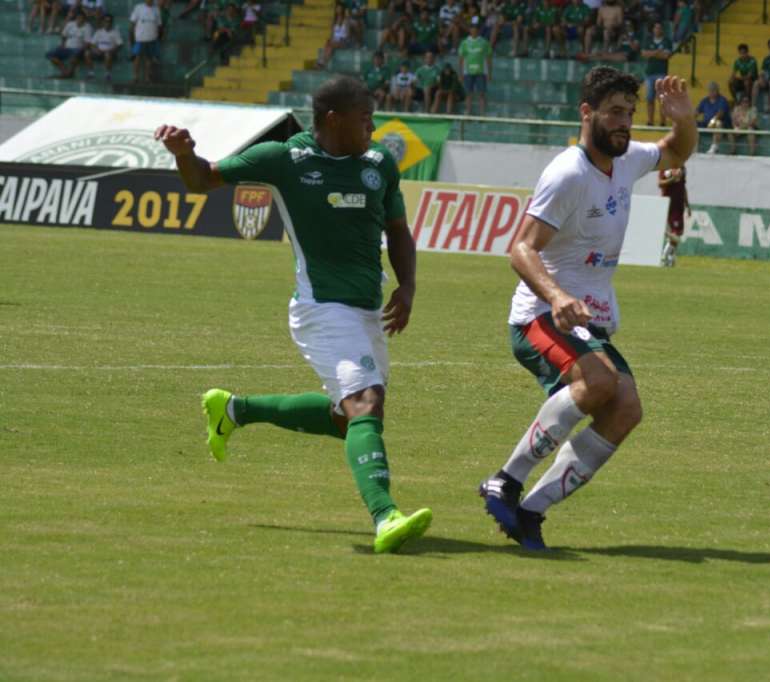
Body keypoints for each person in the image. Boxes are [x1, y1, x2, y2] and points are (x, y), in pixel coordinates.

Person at [153, 76, 433, 554]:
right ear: (333, 120)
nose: (373, 127)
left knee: (348, 420)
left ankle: (234, 410)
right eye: (365, 118)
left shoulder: (380, 163)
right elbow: (202, 179)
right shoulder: (283, 158)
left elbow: (398, 228)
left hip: (367, 310)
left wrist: (407, 285)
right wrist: (183, 153)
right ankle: (385, 516)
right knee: (365, 402)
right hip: (321, 308)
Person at [477, 68, 697, 550]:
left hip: (587, 323)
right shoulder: (568, 173)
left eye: (631, 113)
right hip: (539, 315)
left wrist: (684, 120)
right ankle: (506, 481)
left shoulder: (628, 159)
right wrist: (556, 296)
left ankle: (531, 512)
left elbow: (677, 151)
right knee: (598, 383)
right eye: (615, 112)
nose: (625, 123)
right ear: (586, 113)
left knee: (626, 410)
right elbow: (520, 248)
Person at [459, 18, 492, 115]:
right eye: (472, 28)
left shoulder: (484, 42)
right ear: (470, 30)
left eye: (476, 28)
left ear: (478, 30)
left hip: (481, 72)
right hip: (468, 72)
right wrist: (460, 73)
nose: (474, 30)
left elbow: (489, 59)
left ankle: (482, 114)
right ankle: (468, 113)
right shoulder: (464, 43)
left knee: (481, 94)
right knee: (468, 94)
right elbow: (461, 59)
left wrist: (489, 73)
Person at [46, 9, 92, 78]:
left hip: (78, 49)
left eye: (82, 18)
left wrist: (81, 49)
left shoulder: (88, 27)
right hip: (66, 48)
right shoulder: (70, 24)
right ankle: (66, 71)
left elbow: (87, 43)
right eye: (78, 17)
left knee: (75, 55)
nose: (80, 19)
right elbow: (64, 36)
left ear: (84, 19)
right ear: (76, 18)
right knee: (50, 54)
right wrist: (62, 44)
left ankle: (69, 73)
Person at [641, 21, 671, 126]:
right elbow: (644, 53)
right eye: (656, 28)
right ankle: (650, 121)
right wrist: (657, 52)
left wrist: (651, 53)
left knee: (662, 99)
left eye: (659, 28)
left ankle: (663, 121)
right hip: (650, 73)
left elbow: (666, 56)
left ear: (662, 29)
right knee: (649, 98)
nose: (658, 30)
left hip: (661, 73)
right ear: (653, 29)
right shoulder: (648, 40)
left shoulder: (667, 41)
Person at [659, 167, 689, 267]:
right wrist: (672, 179)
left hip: (679, 206)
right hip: (669, 205)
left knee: (677, 234)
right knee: (674, 234)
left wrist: (687, 205)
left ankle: (670, 259)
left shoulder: (683, 168)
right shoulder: (666, 168)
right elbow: (660, 183)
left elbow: (683, 187)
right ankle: (665, 257)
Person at [84, 13, 124, 81]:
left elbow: (120, 45)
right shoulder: (99, 31)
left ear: (112, 22)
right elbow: (92, 44)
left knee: (107, 54)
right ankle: (91, 73)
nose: (107, 23)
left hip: (110, 53)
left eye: (109, 21)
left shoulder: (115, 32)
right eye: (106, 21)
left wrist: (111, 50)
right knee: (87, 53)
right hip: (99, 52)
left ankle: (108, 74)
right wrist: (96, 50)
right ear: (103, 22)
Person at [130, 0, 162, 83]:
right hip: (140, 38)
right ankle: (135, 77)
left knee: (149, 59)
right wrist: (133, 37)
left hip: (152, 38)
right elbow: (133, 23)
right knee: (137, 58)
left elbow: (159, 25)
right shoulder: (138, 7)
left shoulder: (156, 9)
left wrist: (157, 37)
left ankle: (148, 78)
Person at [696, 81, 730, 154]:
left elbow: (720, 113)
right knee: (692, 124)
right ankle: (695, 147)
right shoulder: (705, 100)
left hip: (721, 123)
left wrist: (713, 121)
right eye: (710, 90)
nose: (711, 92)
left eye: (713, 90)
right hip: (706, 123)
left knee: (718, 123)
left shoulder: (722, 100)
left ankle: (714, 147)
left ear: (717, 91)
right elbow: (697, 111)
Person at [317, 5, 354, 69]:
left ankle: (322, 62)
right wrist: (331, 39)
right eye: (337, 8)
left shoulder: (346, 20)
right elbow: (332, 34)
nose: (338, 10)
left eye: (340, 8)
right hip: (335, 42)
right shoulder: (334, 21)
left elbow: (348, 35)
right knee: (329, 44)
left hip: (344, 41)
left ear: (343, 10)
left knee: (331, 44)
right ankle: (324, 63)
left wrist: (340, 39)